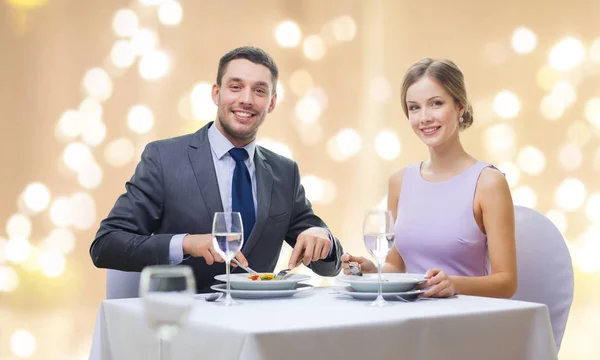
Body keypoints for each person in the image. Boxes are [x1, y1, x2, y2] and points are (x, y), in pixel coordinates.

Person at [90, 46, 342, 292]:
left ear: (272, 103)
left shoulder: (284, 172)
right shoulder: (164, 158)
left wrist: (324, 239)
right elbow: (106, 245)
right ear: (216, 93)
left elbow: (327, 266)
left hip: (260, 323)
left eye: (259, 90)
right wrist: (187, 243)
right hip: (182, 323)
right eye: (235, 87)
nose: (246, 99)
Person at [342, 58, 517, 298]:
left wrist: (455, 285)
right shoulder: (399, 182)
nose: (424, 117)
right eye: (414, 107)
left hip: (466, 319)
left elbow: (507, 282)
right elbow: (398, 267)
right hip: (410, 318)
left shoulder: (488, 182)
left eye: (436, 104)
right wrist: (372, 270)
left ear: (460, 106)